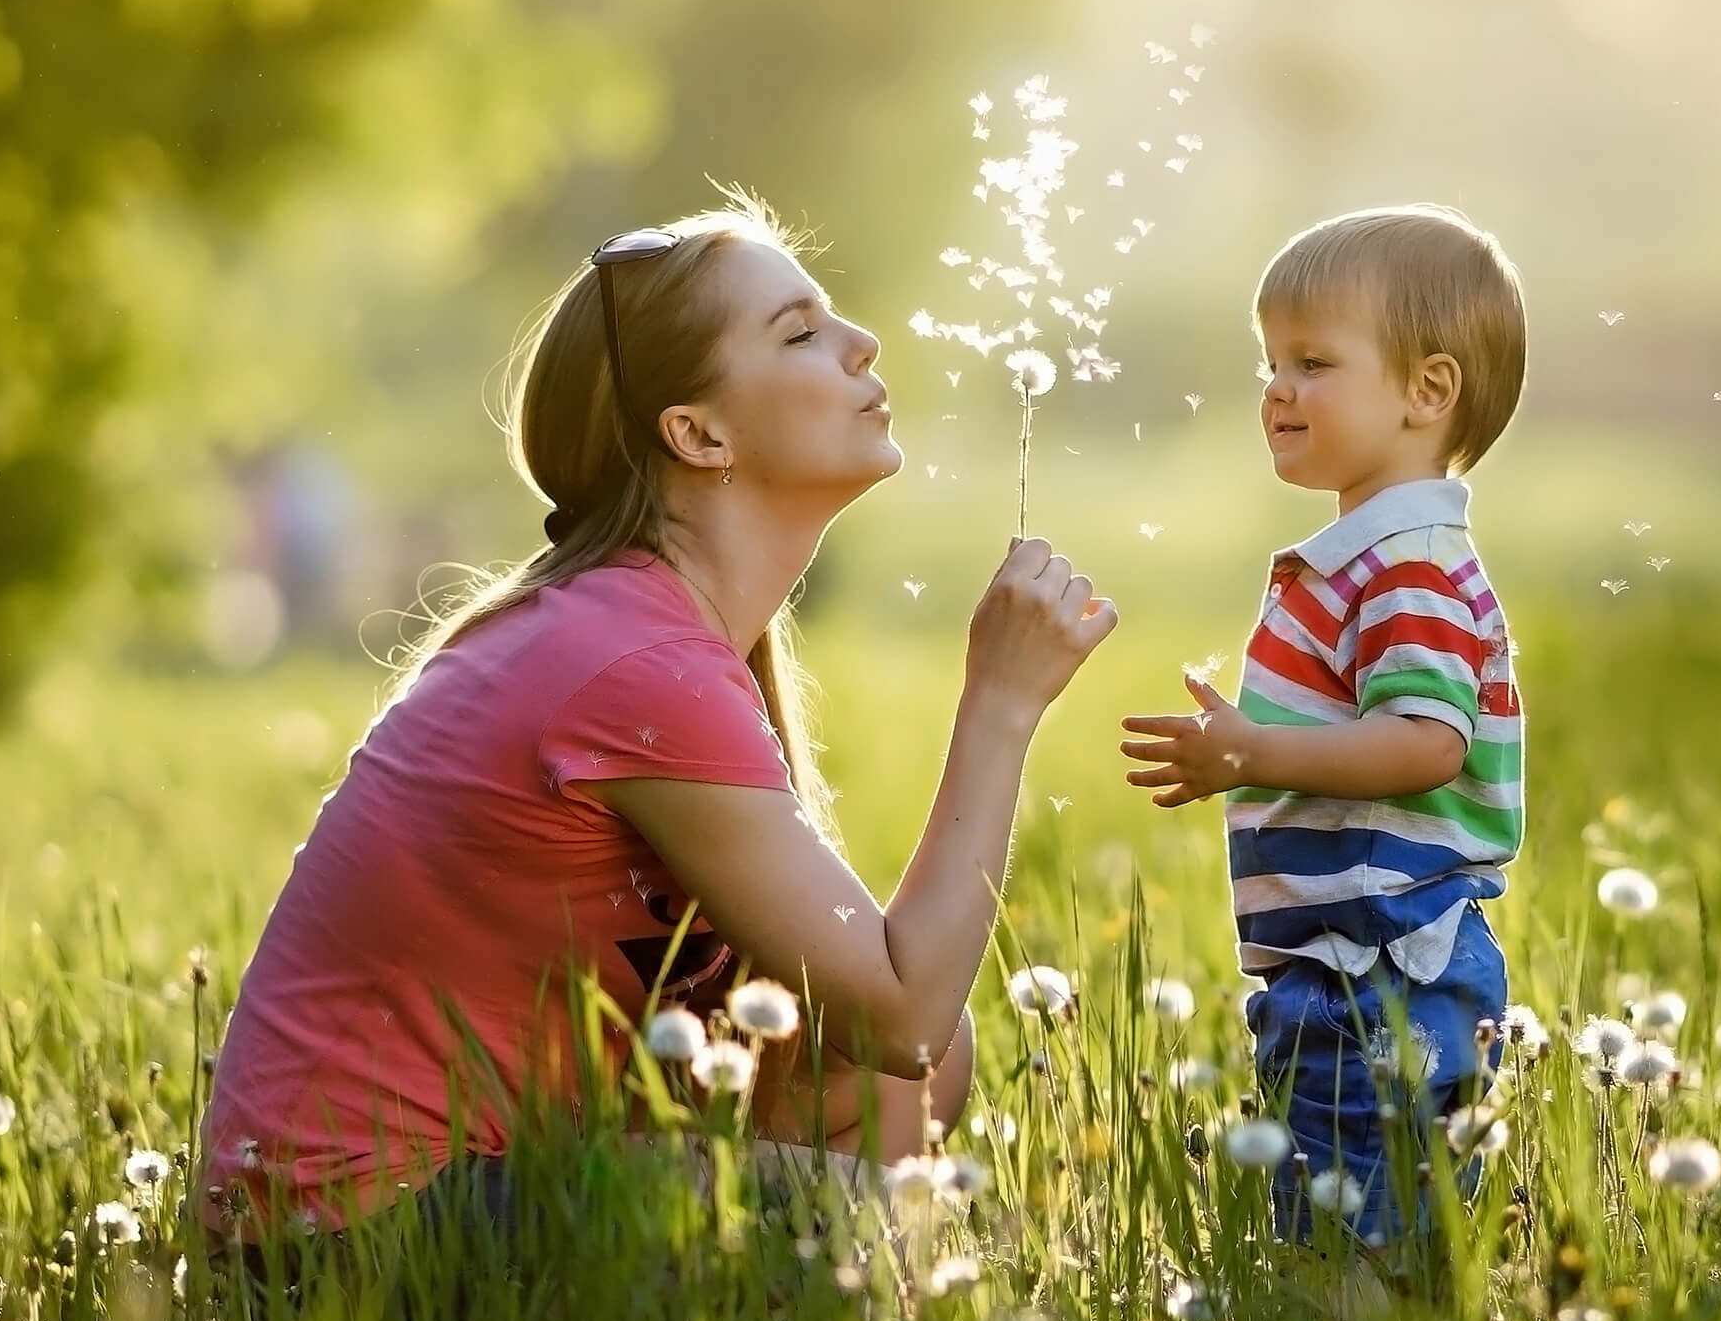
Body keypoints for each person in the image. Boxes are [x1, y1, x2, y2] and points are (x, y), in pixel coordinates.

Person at [202, 191, 1117, 1237]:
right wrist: (999, 705)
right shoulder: (635, 663)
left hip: (454, 1194)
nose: (863, 346)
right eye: (802, 333)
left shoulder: (640, 632)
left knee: (862, 1080)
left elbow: (885, 1034)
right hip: (352, 1237)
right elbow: (903, 1010)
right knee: (873, 1161)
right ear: (697, 432)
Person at [1119, 204, 1527, 1240]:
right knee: (1372, 1209)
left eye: (1312, 361)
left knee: (1359, 1226)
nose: (1277, 390)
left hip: (1379, 966)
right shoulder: (1377, 556)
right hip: (1355, 958)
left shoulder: (1408, 567)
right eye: (1269, 363)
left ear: (1428, 391)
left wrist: (1253, 753)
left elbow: (1428, 741)